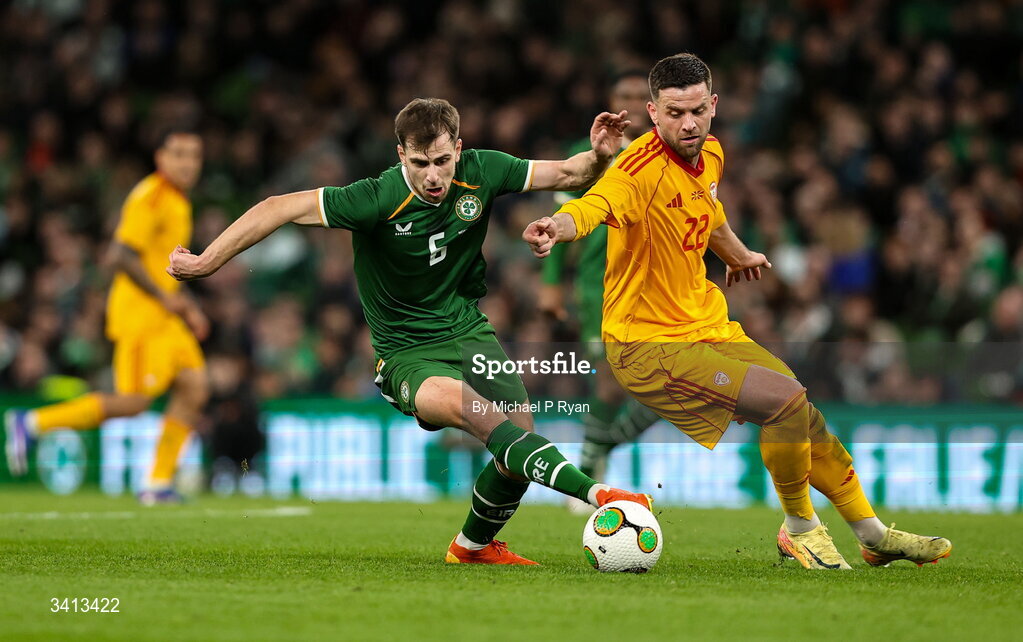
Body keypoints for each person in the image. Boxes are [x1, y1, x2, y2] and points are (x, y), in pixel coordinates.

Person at [166, 98, 651, 565]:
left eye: (442, 160)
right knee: (480, 416)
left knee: (518, 441)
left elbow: (569, 174)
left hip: (467, 330)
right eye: (420, 163)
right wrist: (208, 260)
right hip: (405, 352)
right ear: (401, 155)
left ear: (459, 149)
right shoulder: (375, 198)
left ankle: (473, 547)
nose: (434, 175)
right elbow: (277, 206)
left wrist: (598, 155)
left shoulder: (483, 170)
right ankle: (601, 494)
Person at [522, 53, 952, 569]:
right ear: (653, 114)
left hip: (707, 326)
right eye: (675, 112)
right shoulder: (637, 169)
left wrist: (737, 253)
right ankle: (800, 528)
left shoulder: (712, 155)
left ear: (714, 105)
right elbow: (591, 207)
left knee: (805, 418)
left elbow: (710, 211)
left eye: (698, 110)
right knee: (785, 401)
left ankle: (873, 534)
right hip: (647, 344)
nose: (688, 123)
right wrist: (555, 226)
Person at [6, 127, 210, 505]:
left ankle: (157, 483)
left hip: (164, 317)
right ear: (160, 158)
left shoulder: (178, 202)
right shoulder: (150, 196)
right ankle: (32, 423)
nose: (187, 163)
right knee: (133, 402)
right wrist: (164, 300)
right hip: (140, 316)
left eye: (194, 155)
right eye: (178, 153)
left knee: (195, 387)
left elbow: (161, 264)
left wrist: (187, 305)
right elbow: (120, 255)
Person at [538, 70, 662, 495]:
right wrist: (552, 281)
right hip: (600, 285)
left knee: (671, 384)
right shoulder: (587, 154)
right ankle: (590, 469)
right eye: (621, 95)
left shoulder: (666, 155)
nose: (628, 103)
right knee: (610, 382)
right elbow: (559, 221)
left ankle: (599, 446)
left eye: (636, 96)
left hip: (656, 285)